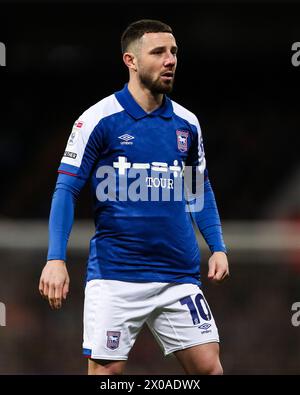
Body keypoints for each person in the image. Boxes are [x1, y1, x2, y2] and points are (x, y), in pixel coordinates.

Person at [39, 19, 229, 375]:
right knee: (106, 375)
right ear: (131, 60)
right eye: (158, 52)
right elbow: (66, 188)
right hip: (117, 276)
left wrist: (217, 246)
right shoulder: (98, 119)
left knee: (209, 368)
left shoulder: (187, 123)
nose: (169, 60)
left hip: (178, 275)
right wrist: (55, 258)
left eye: (173, 52)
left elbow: (199, 188)